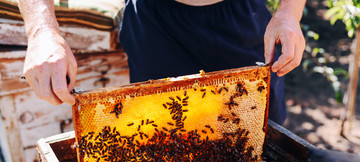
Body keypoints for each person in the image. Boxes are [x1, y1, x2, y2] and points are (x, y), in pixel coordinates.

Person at [18, 0, 306, 124]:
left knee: (258, 146)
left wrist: (289, 13)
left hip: (242, 20)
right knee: (163, 140)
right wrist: (41, 30)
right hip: (154, 25)